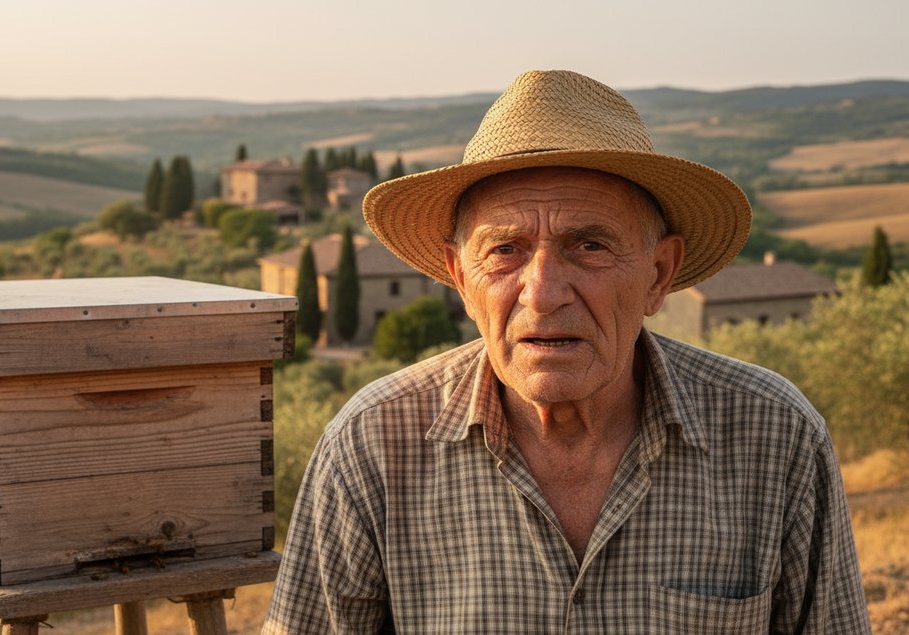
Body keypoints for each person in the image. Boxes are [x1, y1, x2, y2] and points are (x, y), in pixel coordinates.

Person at [263, 70, 870, 633]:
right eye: (505, 250)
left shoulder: (775, 436)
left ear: (659, 274)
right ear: (459, 278)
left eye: (589, 245)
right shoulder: (371, 446)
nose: (545, 292)